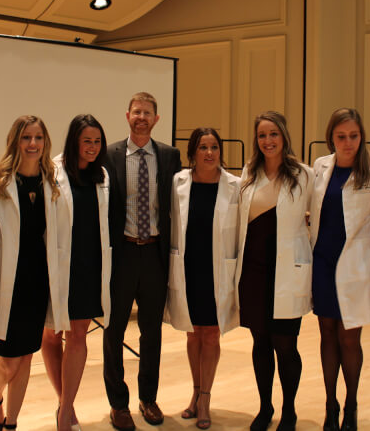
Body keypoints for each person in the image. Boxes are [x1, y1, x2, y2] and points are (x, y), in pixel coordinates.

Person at [103, 92, 181, 431]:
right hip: (121, 254)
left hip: (154, 253)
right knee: (113, 330)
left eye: (148, 112)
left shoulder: (169, 156)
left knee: (151, 333)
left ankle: (148, 398)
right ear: (127, 115)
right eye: (136, 111)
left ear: (156, 119)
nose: (141, 117)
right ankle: (118, 404)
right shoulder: (109, 155)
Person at [310, 109, 370, 431]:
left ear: (362, 136)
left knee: (349, 339)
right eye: (341, 136)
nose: (348, 143)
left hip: (356, 266)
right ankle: (330, 405)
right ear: (331, 137)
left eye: (353, 136)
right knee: (326, 334)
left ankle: (351, 404)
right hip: (323, 263)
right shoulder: (320, 166)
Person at [235, 111, 314, 431]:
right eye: (262, 135)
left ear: (284, 136)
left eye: (273, 134)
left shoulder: (304, 174)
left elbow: (316, 221)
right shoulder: (248, 173)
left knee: (286, 344)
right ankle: (265, 407)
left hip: (287, 271)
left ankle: (290, 410)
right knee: (260, 343)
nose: (268, 141)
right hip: (253, 272)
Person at [0, 115, 64, 430]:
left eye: (38, 138)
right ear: (15, 141)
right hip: (8, 281)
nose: (33, 144)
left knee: (28, 355)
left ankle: (12, 422)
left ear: (45, 143)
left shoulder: (53, 183)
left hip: (38, 282)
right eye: (26, 138)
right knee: (8, 361)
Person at [165, 128, 241, 430]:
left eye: (214, 147)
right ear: (192, 153)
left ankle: (206, 397)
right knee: (192, 333)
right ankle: (195, 392)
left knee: (211, 334)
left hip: (218, 270)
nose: (209, 153)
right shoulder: (178, 183)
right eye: (202, 147)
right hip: (188, 267)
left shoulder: (234, 185)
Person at [40, 114, 112, 431]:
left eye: (97, 142)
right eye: (87, 141)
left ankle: (66, 410)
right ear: (74, 141)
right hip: (56, 266)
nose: (92, 147)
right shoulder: (52, 172)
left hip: (89, 266)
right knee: (51, 336)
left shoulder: (103, 175)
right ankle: (63, 402)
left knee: (78, 335)